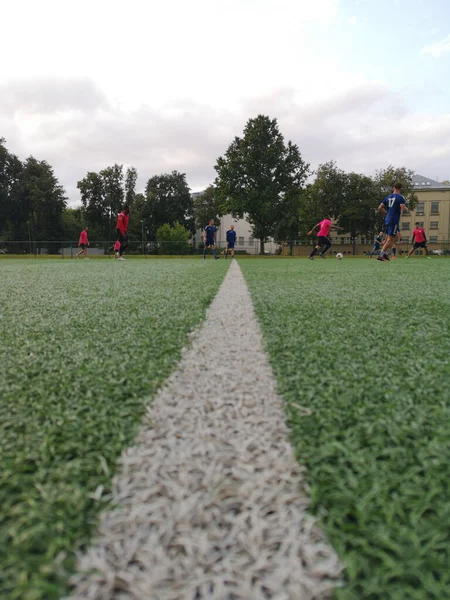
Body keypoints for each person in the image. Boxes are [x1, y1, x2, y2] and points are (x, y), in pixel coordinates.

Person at [377, 183, 408, 262]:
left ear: (393, 188)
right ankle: (381, 255)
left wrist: (387, 214)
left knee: (396, 238)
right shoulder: (400, 197)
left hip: (388, 219)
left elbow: (380, 208)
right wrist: (406, 209)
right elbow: (403, 209)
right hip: (394, 219)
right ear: (400, 189)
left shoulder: (387, 197)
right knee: (390, 239)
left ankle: (386, 253)